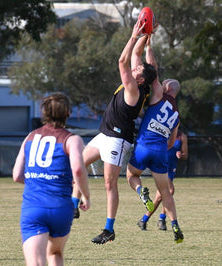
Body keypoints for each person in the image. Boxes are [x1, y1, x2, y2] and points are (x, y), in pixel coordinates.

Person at [72, 20, 157, 245]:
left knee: (109, 184)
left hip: (118, 139)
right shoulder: (140, 80)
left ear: (139, 79)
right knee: (78, 165)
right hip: (105, 134)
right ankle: (73, 207)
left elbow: (122, 60)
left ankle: (109, 229)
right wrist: (146, 36)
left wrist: (132, 35)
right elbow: (137, 55)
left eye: (137, 69)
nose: (134, 66)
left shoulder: (133, 88)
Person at [12, 93, 91, 265]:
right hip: (61, 208)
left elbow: (17, 175)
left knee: (36, 262)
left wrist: (38, 179)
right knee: (55, 253)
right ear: (68, 113)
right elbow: (78, 169)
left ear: (44, 113)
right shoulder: (72, 139)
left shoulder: (31, 136)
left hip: (34, 207)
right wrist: (86, 195)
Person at [126, 34, 184, 243]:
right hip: (161, 152)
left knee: (131, 176)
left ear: (167, 88)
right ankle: (176, 226)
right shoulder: (177, 115)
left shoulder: (160, 93)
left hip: (143, 146)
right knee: (166, 192)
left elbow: (153, 67)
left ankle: (141, 191)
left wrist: (149, 43)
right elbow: (171, 142)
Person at [137, 130, 188, 231]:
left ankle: (144, 219)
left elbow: (185, 155)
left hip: (171, 169)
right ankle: (161, 219)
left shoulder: (182, 136)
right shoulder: (161, 132)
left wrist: (180, 154)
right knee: (169, 190)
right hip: (160, 165)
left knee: (160, 196)